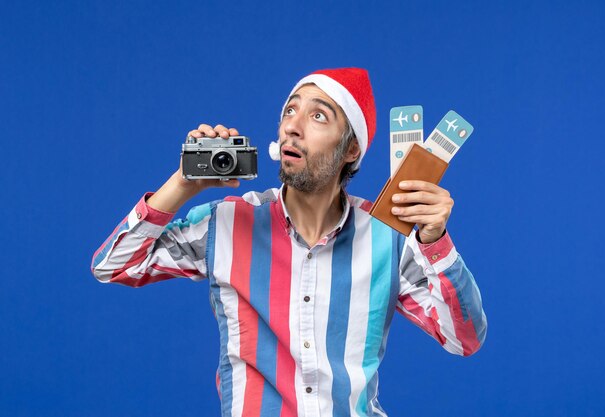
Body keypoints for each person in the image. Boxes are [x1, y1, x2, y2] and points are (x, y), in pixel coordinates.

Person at [91, 67, 487, 417]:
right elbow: (113, 265)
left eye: (317, 116)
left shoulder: (388, 237)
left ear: (351, 149)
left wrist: (435, 241)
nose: (292, 126)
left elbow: (465, 339)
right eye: (289, 111)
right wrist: (181, 184)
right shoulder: (227, 222)